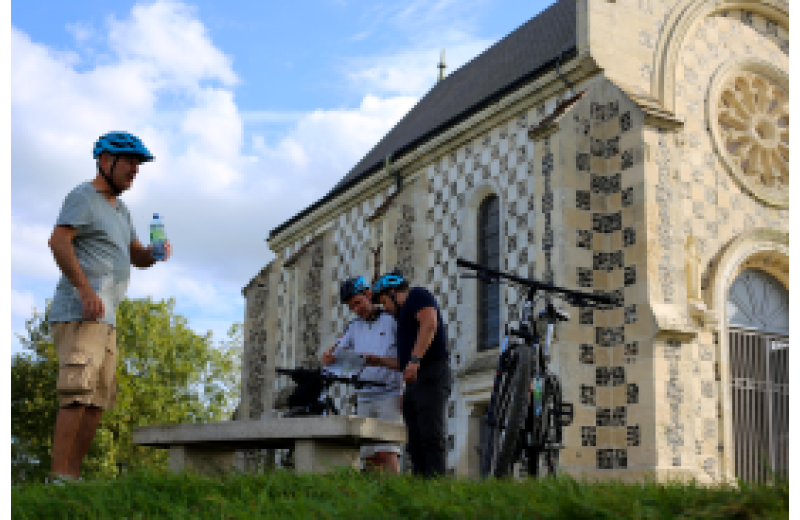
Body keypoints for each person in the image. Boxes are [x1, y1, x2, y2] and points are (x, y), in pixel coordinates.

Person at [45, 131, 173, 485]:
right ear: (105, 161)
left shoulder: (122, 209)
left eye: (138, 163)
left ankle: (72, 476)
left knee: (97, 400)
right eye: (129, 161)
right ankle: (58, 477)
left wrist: (153, 254)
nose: (135, 169)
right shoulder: (83, 196)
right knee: (77, 394)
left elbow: (136, 257)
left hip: (107, 317)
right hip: (80, 311)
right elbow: (58, 242)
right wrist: (85, 290)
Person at [367, 271, 452, 479]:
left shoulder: (417, 295)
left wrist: (414, 361)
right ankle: (420, 486)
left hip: (431, 373)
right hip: (414, 381)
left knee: (431, 436)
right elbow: (402, 364)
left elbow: (429, 323)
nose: (384, 309)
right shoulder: (402, 320)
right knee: (414, 441)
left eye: (384, 301)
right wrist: (379, 360)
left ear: (394, 292)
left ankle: (437, 487)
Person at [320, 276, 404, 474]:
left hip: (390, 394)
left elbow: (406, 357)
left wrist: (404, 391)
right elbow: (338, 351)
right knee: (368, 456)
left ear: (368, 294)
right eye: (352, 307)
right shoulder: (353, 327)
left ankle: (398, 495)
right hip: (364, 397)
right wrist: (329, 357)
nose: (357, 309)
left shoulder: (392, 318)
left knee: (387, 452)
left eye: (358, 303)